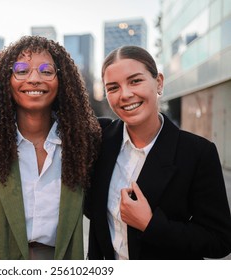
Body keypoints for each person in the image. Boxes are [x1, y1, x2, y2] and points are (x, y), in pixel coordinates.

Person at [85, 45, 231, 260]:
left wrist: (151, 225)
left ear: (159, 82)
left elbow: (219, 241)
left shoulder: (197, 153)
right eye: (113, 87)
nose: (125, 94)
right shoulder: (100, 140)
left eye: (135, 81)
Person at [0, 35, 101, 260]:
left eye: (47, 71)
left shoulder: (83, 143)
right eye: (21, 70)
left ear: (62, 80)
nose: (34, 79)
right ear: (5, 79)